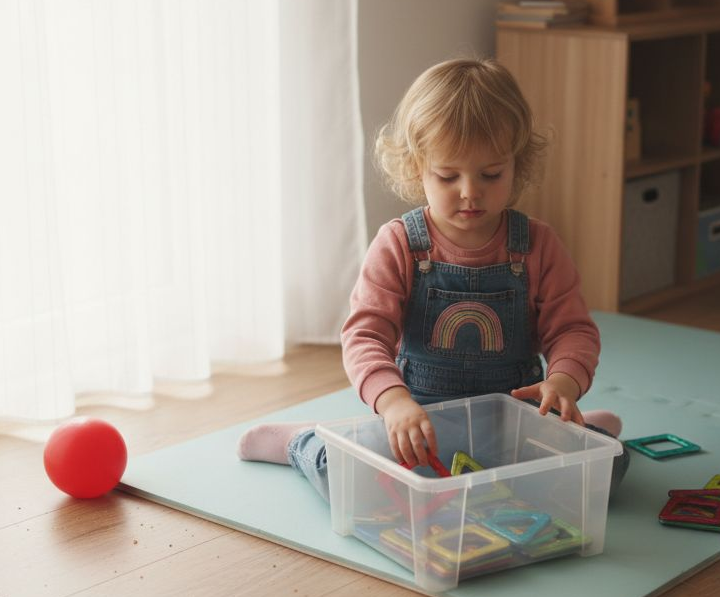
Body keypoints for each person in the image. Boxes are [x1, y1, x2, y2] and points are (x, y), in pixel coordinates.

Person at [237, 57, 629, 498]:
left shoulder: (538, 244)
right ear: (415, 167)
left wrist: (562, 384)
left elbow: (572, 330)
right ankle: (304, 440)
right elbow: (364, 336)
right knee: (350, 483)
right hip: (418, 427)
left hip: (512, 425)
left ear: (518, 164)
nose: (469, 191)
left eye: (491, 174)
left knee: (607, 474)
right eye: (447, 175)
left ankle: (583, 428)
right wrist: (394, 403)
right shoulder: (401, 244)